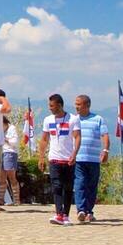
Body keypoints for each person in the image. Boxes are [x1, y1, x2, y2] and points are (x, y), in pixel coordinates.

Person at [37, 94, 78, 226]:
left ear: (59, 105)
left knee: (68, 187)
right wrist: (41, 157)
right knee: (56, 186)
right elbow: (44, 139)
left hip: (68, 159)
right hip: (54, 158)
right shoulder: (48, 120)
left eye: (52, 106)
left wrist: (74, 153)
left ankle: (65, 214)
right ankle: (59, 213)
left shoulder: (73, 119)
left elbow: (77, 137)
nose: (50, 108)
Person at [70, 94, 110, 224]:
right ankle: (81, 210)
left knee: (92, 186)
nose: (76, 107)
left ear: (87, 105)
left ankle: (89, 211)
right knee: (79, 184)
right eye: (75, 104)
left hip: (93, 159)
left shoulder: (98, 119)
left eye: (79, 104)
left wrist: (105, 150)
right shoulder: (73, 119)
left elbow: (104, 135)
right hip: (78, 158)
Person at [1, 115, 22, 206]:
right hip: (1, 152)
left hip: (10, 152)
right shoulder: (0, 130)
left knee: (11, 176)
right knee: (2, 177)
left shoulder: (12, 128)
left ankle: (17, 199)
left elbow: (15, 142)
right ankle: (0, 198)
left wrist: (5, 139)